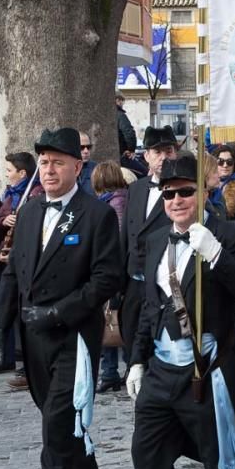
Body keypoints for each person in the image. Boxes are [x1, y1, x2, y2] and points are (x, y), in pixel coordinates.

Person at [0, 127, 122, 469]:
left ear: (77, 167)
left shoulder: (96, 214)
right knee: (64, 423)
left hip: (74, 338)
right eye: (43, 162)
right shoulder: (28, 212)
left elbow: (105, 279)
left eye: (57, 162)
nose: (48, 169)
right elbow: (13, 271)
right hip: (33, 339)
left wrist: (58, 312)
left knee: (57, 428)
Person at [126, 154, 235, 469]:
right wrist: (136, 360)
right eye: (168, 194)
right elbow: (149, 308)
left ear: (203, 192)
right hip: (161, 372)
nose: (177, 200)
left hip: (208, 372)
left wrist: (216, 254)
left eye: (186, 191)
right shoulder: (155, 240)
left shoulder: (232, 235)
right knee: (147, 457)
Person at [0, 151, 43, 380]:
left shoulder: (35, 193)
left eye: (9, 171)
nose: (6, 175)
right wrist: (4, 220)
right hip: (6, 259)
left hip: (26, 259)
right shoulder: (10, 194)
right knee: (4, 306)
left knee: (24, 314)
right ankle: (4, 356)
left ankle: (27, 361)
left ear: (22, 173)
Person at [122, 126, 178, 364]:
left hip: (165, 282)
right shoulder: (135, 188)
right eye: (157, 152)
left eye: (168, 150)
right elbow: (126, 233)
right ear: (146, 156)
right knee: (131, 336)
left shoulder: (182, 191)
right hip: (134, 280)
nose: (163, 156)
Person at [92, 160, 129, 393]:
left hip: (112, 270)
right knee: (118, 320)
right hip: (120, 271)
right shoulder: (125, 199)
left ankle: (110, 371)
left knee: (109, 320)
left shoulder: (112, 204)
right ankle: (121, 369)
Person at [76, 131, 97, 196]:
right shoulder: (65, 169)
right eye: (81, 147)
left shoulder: (96, 169)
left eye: (88, 147)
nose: (86, 151)